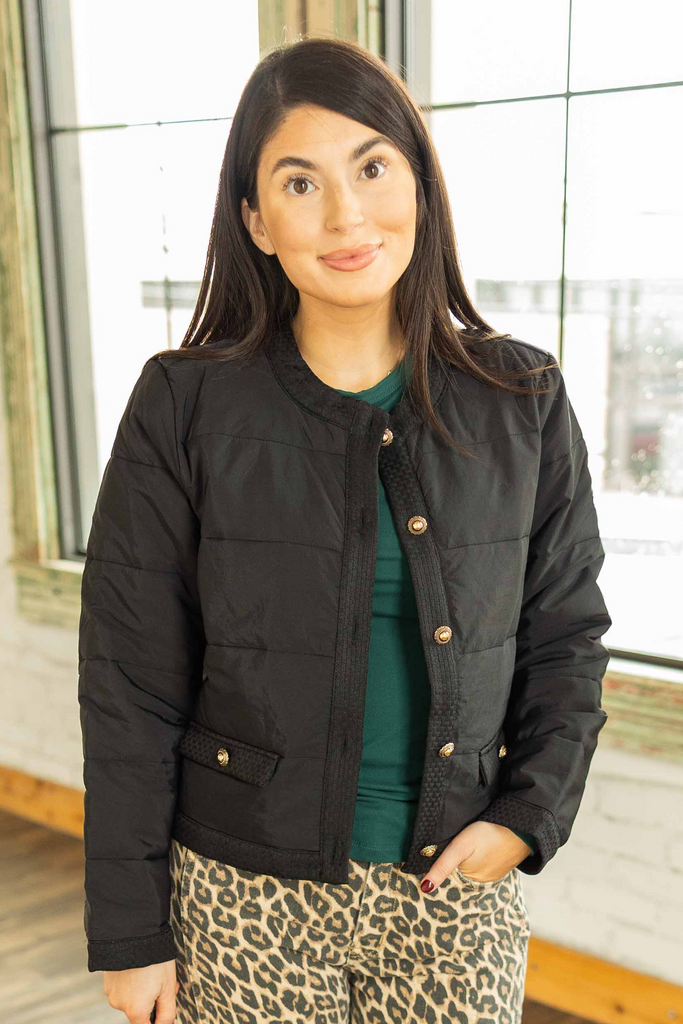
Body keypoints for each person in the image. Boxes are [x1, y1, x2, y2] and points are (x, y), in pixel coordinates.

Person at [78, 35, 612, 1024]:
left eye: (371, 168)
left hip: (453, 889)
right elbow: (128, 682)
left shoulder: (522, 398)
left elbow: (565, 637)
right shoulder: (183, 404)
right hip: (242, 889)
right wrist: (130, 930)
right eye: (299, 183)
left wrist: (524, 817)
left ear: (419, 183)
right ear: (255, 219)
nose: (345, 215)